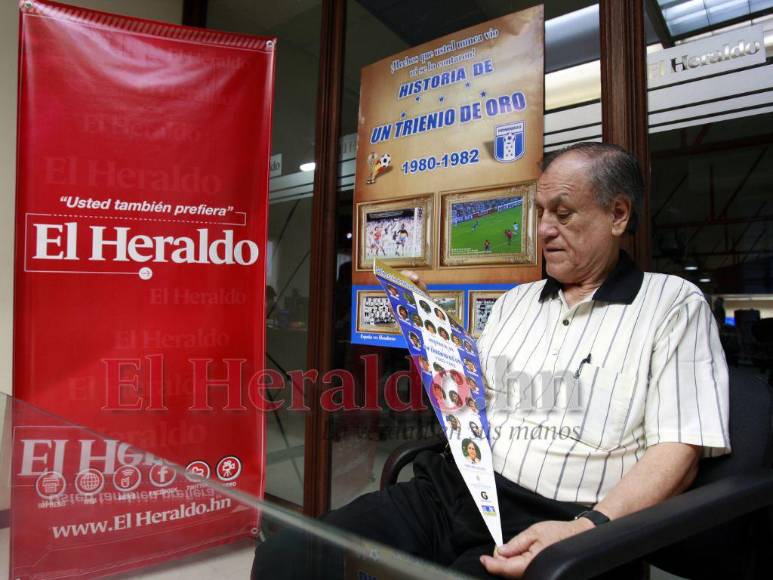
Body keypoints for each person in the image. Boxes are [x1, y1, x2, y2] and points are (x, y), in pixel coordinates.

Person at [252, 143, 730, 579]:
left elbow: (680, 450)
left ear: (618, 215)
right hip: (453, 490)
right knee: (290, 556)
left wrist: (587, 528)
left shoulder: (672, 305)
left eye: (563, 213)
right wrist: (429, 333)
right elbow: (466, 403)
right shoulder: (514, 302)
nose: (543, 229)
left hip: (557, 519)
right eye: (540, 212)